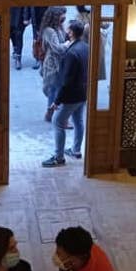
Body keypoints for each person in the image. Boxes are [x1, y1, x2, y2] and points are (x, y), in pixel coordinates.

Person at [42, 21, 88, 167]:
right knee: (78, 121)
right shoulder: (86, 47)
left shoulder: (71, 53)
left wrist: (57, 101)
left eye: (68, 29)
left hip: (71, 96)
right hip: (83, 92)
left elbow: (66, 81)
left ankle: (59, 157)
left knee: (57, 122)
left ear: (71, 33)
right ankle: (76, 150)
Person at [39, 7, 69, 122]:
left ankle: (51, 113)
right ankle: (55, 115)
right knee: (55, 89)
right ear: (55, 16)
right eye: (62, 15)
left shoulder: (59, 27)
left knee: (56, 89)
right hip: (53, 65)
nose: (64, 17)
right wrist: (68, 43)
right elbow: (58, 48)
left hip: (59, 63)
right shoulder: (50, 31)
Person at [75, 6, 109, 81]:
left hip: (93, 45)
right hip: (89, 46)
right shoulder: (82, 17)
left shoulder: (89, 15)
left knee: (91, 69)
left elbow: (106, 24)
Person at [8, 0, 32, 70]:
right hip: (10, 15)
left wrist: (26, 18)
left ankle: (18, 58)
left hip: (20, 18)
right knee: (12, 35)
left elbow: (28, 5)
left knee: (18, 36)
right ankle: (15, 49)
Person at [30, 0, 48, 70]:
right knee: (36, 41)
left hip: (45, 21)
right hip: (35, 21)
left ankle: (44, 59)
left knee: (45, 41)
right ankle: (38, 59)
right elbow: (29, 6)